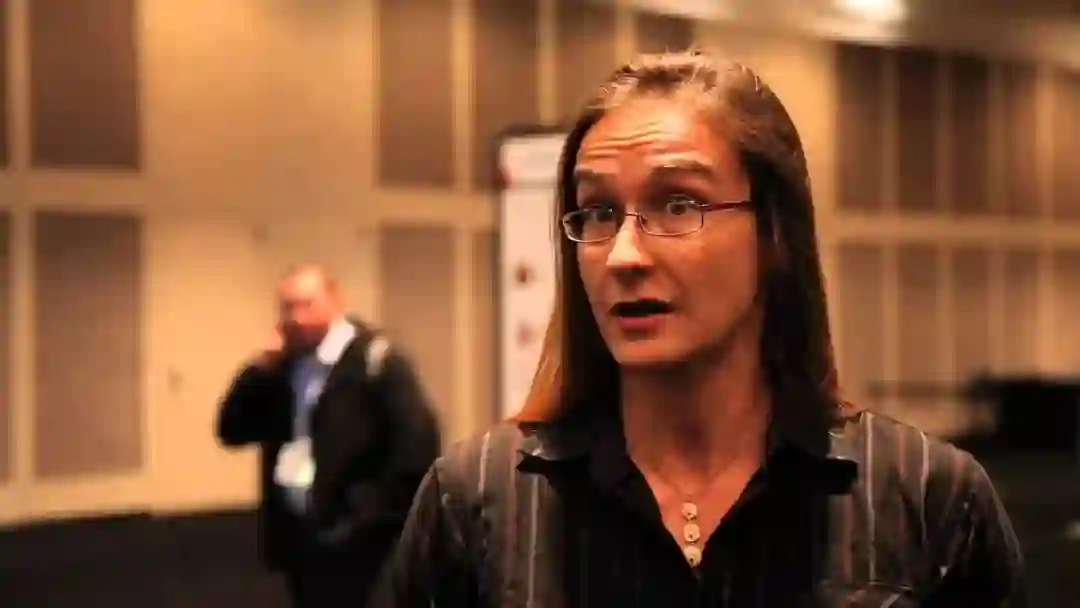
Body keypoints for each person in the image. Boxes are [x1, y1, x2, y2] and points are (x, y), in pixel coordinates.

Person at [370, 50, 1027, 607]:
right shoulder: (477, 503)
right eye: (597, 212)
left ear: (774, 234)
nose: (624, 255)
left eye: (678, 204)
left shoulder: (927, 499)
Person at [216, 264, 441, 608]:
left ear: (335, 301)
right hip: (301, 538)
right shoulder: (284, 366)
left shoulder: (377, 361)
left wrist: (363, 520)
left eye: (307, 304)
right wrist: (258, 368)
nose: (296, 317)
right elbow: (231, 430)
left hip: (363, 544)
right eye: (288, 307)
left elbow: (416, 450)